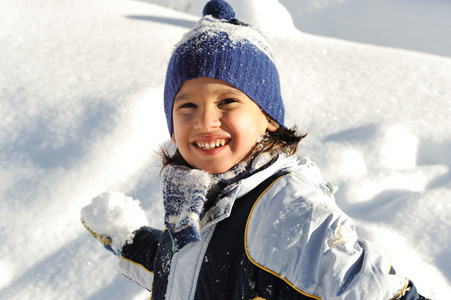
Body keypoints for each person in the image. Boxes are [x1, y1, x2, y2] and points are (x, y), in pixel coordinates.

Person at [81, 0, 429, 299]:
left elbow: (368, 289)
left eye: (227, 101)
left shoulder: (288, 209)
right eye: (187, 106)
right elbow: (192, 273)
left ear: (269, 118)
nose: (204, 121)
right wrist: (129, 240)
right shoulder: (195, 195)